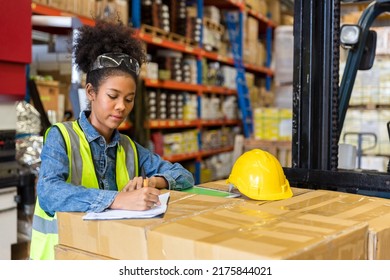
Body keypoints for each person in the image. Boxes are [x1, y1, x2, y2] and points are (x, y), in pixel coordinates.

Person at [29, 19, 195, 260]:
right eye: (113, 96)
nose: (121, 107)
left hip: (104, 254)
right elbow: (49, 193)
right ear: (91, 92)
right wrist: (118, 199)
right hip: (60, 260)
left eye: (129, 99)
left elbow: (184, 175)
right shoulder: (61, 137)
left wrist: (154, 183)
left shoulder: (129, 148)